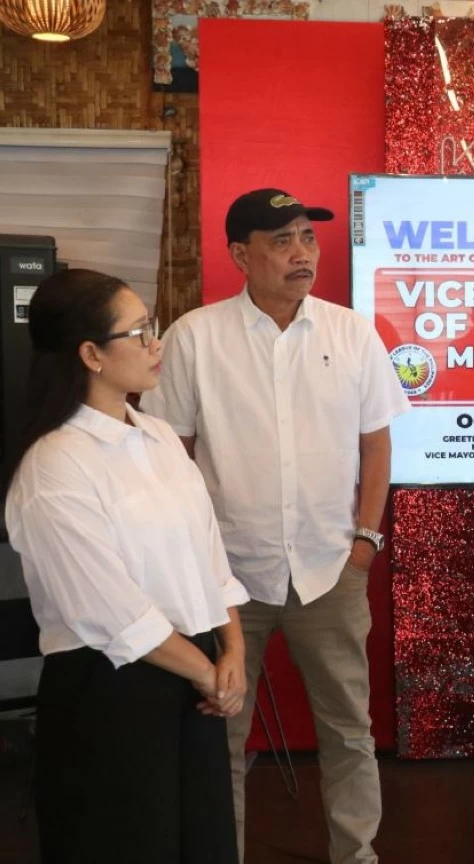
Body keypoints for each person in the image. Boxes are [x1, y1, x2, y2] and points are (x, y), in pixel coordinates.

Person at [140, 188, 409, 864]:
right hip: (229, 579)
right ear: (240, 254)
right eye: (282, 240)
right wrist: (193, 562)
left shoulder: (351, 332)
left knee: (349, 731)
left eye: (307, 239)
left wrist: (366, 541)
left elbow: (377, 443)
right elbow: (173, 454)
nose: (301, 254)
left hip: (331, 570)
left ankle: (356, 855)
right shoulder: (195, 337)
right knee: (222, 736)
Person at [4, 269, 248, 863]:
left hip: (194, 680)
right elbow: (108, 610)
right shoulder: (56, 463)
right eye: (139, 331)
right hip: (110, 689)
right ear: (90, 354)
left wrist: (232, 652)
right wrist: (207, 671)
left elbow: (208, 555)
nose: (155, 343)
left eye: (152, 326)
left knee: (203, 839)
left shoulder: (159, 435)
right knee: (129, 841)